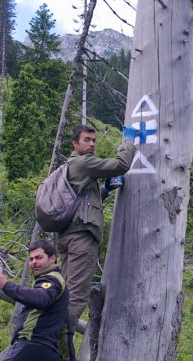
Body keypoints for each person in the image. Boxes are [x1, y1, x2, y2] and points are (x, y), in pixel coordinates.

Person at [58, 125, 136, 333]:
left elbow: (81, 203)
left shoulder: (69, 166)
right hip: (81, 238)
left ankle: (51, 340)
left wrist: (105, 189)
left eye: (93, 140)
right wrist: (128, 142)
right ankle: (57, 346)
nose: (92, 144)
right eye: (86, 140)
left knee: (64, 291)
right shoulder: (83, 162)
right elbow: (121, 164)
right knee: (76, 295)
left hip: (67, 236)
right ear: (74, 143)